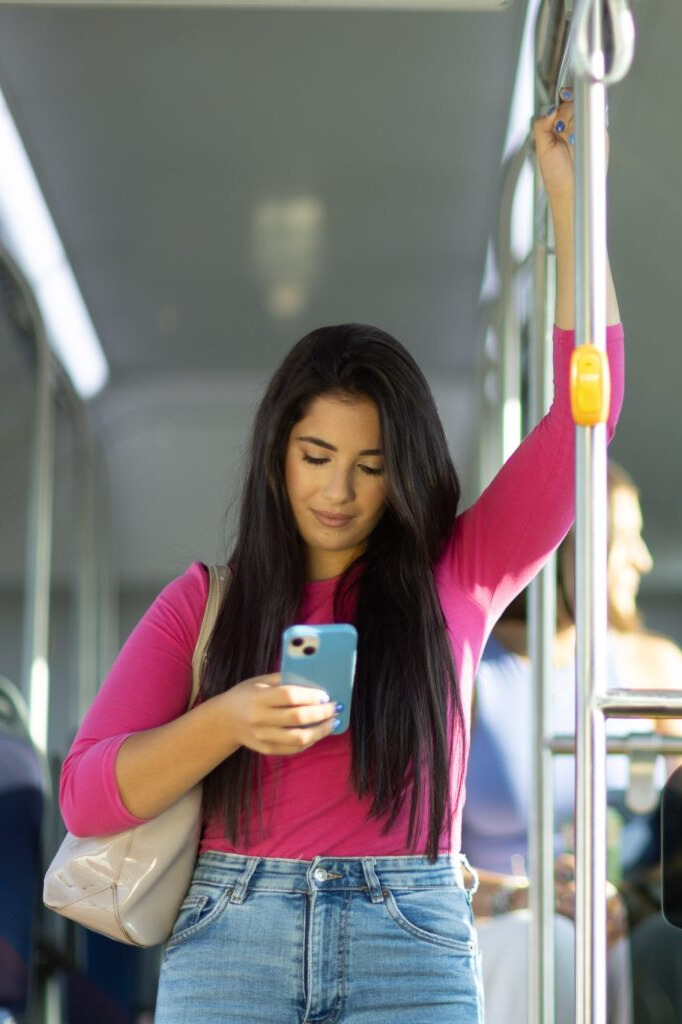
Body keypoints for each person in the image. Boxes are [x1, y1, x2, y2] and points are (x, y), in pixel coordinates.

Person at [58, 97, 624, 1024]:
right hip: (229, 934)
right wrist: (230, 720)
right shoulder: (206, 603)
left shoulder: (460, 574)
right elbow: (86, 793)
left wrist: (576, 201)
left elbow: (585, 422)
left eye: (372, 466)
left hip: (412, 935)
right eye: (316, 458)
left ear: (406, 473)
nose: (340, 491)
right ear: (276, 453)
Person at [462, 462, 682, 1024]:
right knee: (552, 946)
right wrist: (521, 897)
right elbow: (414, 863)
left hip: (628, 930)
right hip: (505, 939)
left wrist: (633, 901)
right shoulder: (467, 671)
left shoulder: (654, 669)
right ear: (562, 549)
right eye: (620, 539)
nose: (643, 560)